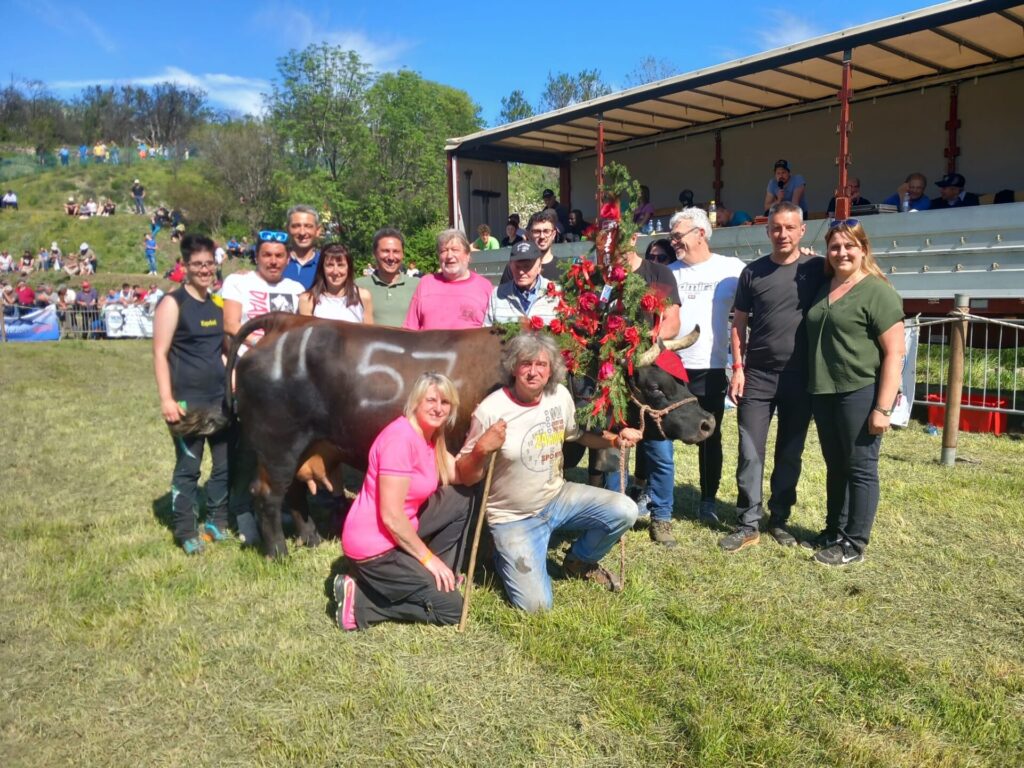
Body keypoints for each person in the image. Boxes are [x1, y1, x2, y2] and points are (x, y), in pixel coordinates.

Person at [456, 332, 642, 612]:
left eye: (541, 364)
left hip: (558, 497)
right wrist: (482, 449)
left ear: (551, 368)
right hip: (513, 517)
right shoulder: (492, 410)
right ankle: (501, 554)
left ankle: (579, 560)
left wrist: (614, 439)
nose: (533, 372)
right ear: (513, 367)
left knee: (626, 509)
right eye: (525, 364)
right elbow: (463, 473)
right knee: (537, 607)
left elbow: (576, 435)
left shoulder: (559, 396)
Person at [333, 373, 504, 630]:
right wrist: (428, 559)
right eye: (431, 400)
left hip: (400, 530)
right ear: (415, 402)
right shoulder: (400, 441)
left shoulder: (430, 437)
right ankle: (360, 601)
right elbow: (391, 516)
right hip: (374, 548)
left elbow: (461, 477)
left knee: (460, 499)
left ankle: (440, 579)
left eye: (445, 402)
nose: (438, 408)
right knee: (452, 609)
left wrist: (480, 450)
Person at [721, 201, 825, 553]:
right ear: (768, 231)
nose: (782, 234)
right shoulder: (753, 273)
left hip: (801, 377)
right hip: (757, 377)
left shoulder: (818, 268)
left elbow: (860, 274)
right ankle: (748, 522)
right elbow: (738, 324)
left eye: (789, 228)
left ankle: (779, 518)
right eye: (776, 228)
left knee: (790, 453)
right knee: (750, 452)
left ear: (801, 230)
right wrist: (737, 369)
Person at [806, 220, 905, 566]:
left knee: (860, 467)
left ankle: (854, 542)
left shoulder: (877, 291)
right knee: (836, 465)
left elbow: (895, 352)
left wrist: (883, 408)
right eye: (834, 247)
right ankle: (834, 528)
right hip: (824, 390)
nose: (841, 253)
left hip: (859, 389)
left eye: (849, 246)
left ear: (863, 249)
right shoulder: (825, 285)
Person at [152, 234, 230, 555]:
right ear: (185, 266)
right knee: (189, 468)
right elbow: (159, 354)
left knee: (224, 467)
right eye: (197, 264)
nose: (204, 269)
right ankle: (185, 530)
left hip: (220, 399)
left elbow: (221, 351)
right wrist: (167, 399)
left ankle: (217, 521)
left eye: (209, 263)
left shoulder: (216, 303)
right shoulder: (173, 303)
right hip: (187, 403)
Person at [604, 230, 682, 547]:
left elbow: (673, 320)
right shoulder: (604, 279)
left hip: (650, 370)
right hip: (612, 374)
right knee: (613, 446)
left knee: (658, 447)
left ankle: (661, 518)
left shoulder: (658, 273)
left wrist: (645, 349)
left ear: (633, 238)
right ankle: (612, 514)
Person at [668, 208, 746, 525]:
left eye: (678, 236)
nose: (674, 242)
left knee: (710, 435)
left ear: (700, 233)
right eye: (671, 237)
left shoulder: (732, 269)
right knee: (659, 435)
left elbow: (758, 301)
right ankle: (656, 497)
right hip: (670, 368)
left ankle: (708, 499)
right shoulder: (667, 273)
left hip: (711, 367)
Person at [221, 230, 305, 354]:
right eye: (267, 255)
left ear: (288, 259)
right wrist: (259, 342)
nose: (273, 261)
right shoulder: (237, 281)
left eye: (279, 255)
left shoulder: (297, 289)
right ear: (256, 257)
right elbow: (230, 324)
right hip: (247, 360)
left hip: (285, 362)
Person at [403, 229, 493, 330]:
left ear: (468, 255)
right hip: (430, 345)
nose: (449, 256)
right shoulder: (425, 284)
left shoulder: (484, 287)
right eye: (444, 251)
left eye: (455, 250)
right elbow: (409, 330)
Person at [483, 241, 559, 326]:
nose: (521, 272)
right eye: (517, 266)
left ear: (539, 266)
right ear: (510, 266)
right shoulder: (497, 294)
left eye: (527, 266)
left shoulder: (556, 292)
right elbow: (487, 332)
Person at [356, 227, 419, 327]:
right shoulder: (357, 286)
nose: (391, 257)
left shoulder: (418, 286)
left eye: (396, 251)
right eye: (385, 251)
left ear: (403, 254)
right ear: (375, 253)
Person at [298, 242, 374, 323]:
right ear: (322, 268)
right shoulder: (307, 300)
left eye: (341, 265)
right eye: (330, 265)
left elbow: (369, 333)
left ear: (349, 268)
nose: (335, 272)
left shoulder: (363, 297)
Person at [500, 209, 562, 284]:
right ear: (528, 235)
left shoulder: (564, 268)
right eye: (537, 232)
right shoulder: (515, 267)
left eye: (546, 231)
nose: (542, 236)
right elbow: (504, 294)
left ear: (553, 234)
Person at [281, 204, 323, 289]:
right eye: (296, 226)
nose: (302, 233)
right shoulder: (277, 263)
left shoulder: (325, 265)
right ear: (287, 229)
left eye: (308, 226)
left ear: (318, 231)